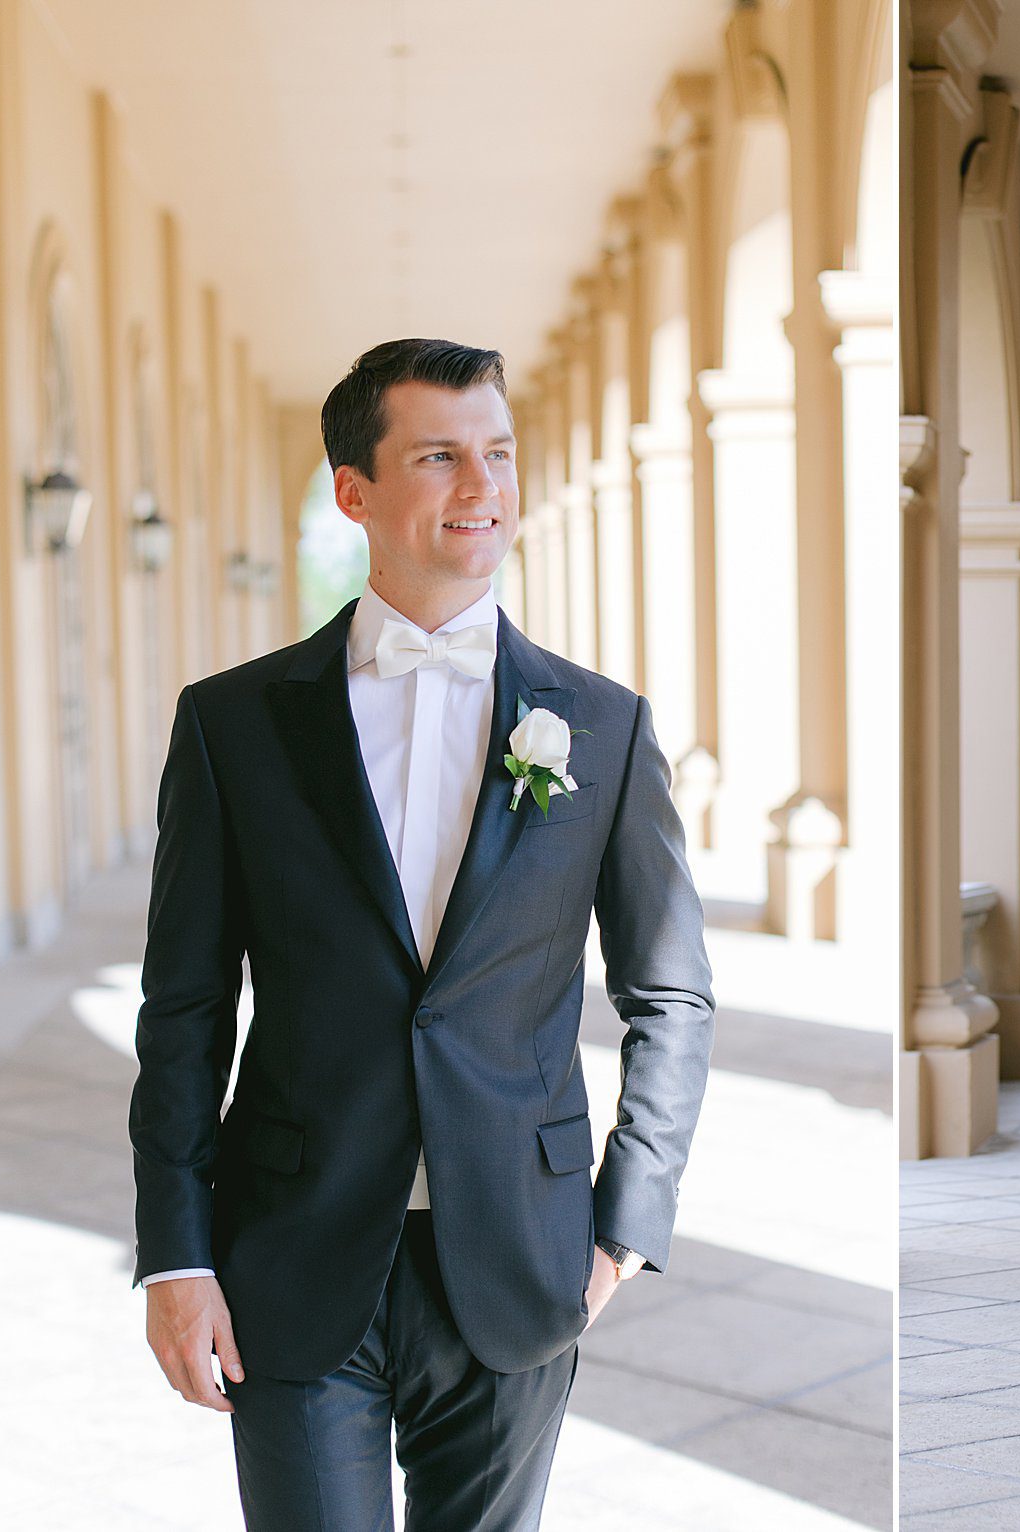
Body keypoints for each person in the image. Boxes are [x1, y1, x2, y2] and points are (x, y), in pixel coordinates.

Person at [128, 338, 714, 1527]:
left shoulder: (600, 725)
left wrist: (625, 1226)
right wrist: (174, 1255)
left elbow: (671, 993)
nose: (480, 486)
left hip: (518, 1256)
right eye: (439, 455)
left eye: (495, 453)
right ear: (355, 491)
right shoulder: (232, 726)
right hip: (288, 1249)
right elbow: (183, 1010)